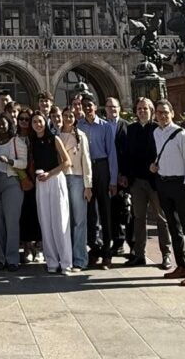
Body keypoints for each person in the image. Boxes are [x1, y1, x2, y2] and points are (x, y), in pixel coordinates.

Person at [152, 100, 185, 286]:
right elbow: (162, 155)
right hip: (164, 183)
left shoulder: (182, 134)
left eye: (165, 112)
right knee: (174, 228)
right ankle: (182, 265)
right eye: (159, 112)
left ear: (172, 113)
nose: (162, 116)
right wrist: (155, 166)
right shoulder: (156, 133)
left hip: (180, 184)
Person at [123, 98, 172, 269]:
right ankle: (139, 254)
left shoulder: (157, 129)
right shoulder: (131, 129)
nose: (142, 111)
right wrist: (126, 175)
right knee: (139, 218)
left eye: (145, 108)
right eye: (139, 109)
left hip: (155, 181)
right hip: (137, 181)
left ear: (151, 111)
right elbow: (127, 154)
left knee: (161, 218)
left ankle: (166, 254)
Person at [77, 94, 119, 268]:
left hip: (102, 168)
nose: (87, 108)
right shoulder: (78, 126)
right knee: (89, 212)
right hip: (86, 170)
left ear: (95, 106)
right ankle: (94, 249)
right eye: (84, 105)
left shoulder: (105, 126)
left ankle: (107, 253)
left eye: (90, 105)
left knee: (105, 211)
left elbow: (112, 154)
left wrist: (113, 180)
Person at [29, 112, 72, 273]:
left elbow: (67, 162)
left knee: (60, 222)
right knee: (45, 223)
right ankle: (52, 262)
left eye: (40, 121)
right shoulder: (33, 141)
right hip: (41, 182)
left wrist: (50, 173)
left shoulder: (54, 139)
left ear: (45, 122)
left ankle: (66, 262)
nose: (37, 124)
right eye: (34, 122)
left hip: (55, 179)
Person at [0, 113, 26, 271]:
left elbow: (23, 163)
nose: (0, 126)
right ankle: (0, 258)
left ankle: (12, 259)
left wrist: (9, 161)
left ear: (9, 124)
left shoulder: (17, 141)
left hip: (11, 182)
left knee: (11, 222)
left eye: (3, 123)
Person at [58, 107, 92, 270]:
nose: (68, 118)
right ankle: (66, 257)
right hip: (60, 178)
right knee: (64, 220)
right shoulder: (56, 135)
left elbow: (86, 160)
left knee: (79, 220)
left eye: (71, 116)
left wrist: (88, 185)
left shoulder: (81, 135)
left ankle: (80, 259)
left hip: (77, 178)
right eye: (65, 115)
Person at [105, 97, 130, 256]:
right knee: (111, 210)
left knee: (125, 211)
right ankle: (117, 242)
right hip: (106, 174)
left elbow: (129, 153)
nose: (112, 109)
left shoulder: (127, 126)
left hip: (123, 176)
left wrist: (124, 173)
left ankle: (132, 243)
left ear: (119, 108)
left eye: (114, 107)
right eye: (109, 107)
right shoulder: (102, 126)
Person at [16, 108, 41, 263]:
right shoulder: (14, 138)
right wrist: (23, 177)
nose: (24, 122)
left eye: (27, 119)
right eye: (22, 119)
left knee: (37, 213)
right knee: (24, 214)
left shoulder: (36, 137)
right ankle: (27, 247)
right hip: (21, 181)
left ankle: (38, 247)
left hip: (37, 179)